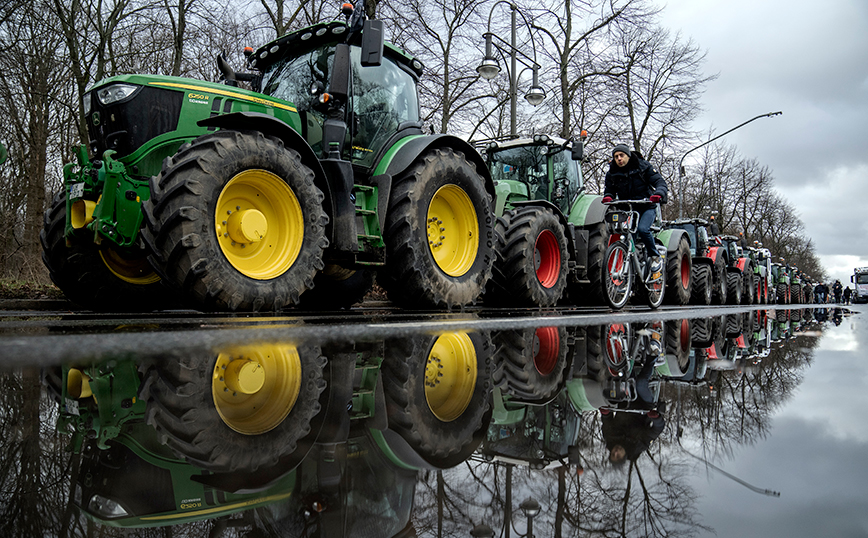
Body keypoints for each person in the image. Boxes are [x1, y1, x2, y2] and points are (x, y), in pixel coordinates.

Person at [602, 144, 668, 275]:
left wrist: (658, 194)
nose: (619, 159)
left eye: (621, 155)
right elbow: (609, 190)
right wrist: (608, 197)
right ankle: (630, 271)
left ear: (628, 155)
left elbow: (660, 182)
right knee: (626, 236)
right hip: (628, 209)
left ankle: (655, 257)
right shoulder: (612, 173)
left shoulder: (643, 167)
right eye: (616, 157)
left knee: (643, 229)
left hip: (646, 207)